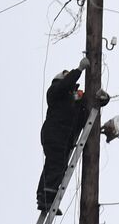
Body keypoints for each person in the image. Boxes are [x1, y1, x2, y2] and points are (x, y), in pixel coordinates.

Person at [37, 58, 109, 211]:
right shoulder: (55, 91)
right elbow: (65, 86)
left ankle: (46, 197)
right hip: (55, 133)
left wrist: (101, 100)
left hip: (63, 137)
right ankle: (45, 197)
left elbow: (82, 113)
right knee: (55, 164)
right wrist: (78, 70)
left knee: (57, 165)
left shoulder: (70, 100)